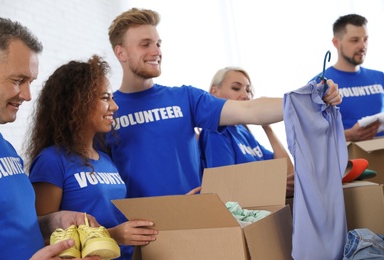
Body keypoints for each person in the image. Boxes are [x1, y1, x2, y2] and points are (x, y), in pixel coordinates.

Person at [105, 7, 341, 199]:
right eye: (145, 44)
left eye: (158, 43)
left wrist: (309, 99)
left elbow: (250, 110)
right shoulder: (107, 110)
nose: (156, 50)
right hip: (138, 233)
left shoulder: (185, 98)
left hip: (195, 220)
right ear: (121, 53)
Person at [25, 55, 158, 260]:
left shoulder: (106, 160)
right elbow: (42, 235)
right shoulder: (51, 161)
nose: (114, 106)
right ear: (78, 103)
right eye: (105, 98)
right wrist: (113, 236)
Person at [0, 17, 100, 260]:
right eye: (18, 80)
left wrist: (55, 221)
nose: (28, 95)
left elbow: (12, 227)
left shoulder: (5, 147)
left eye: (30, 82)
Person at [198, 67, 294, 197]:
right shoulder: (216, 132)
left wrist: (267, 128)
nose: (246, 95)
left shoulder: (244, 132)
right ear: (214, 92)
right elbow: (225, 188)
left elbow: (287, 172)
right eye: (236, 88)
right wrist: (274, 187)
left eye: (248, 90)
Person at [310, 14, 384, 142]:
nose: (362, 46)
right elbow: (310, 137)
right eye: (355, 40)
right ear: (336, 42)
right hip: (347, 160)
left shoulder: (379, 77)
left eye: (365, 39)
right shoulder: (320, 83)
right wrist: (348, 135)